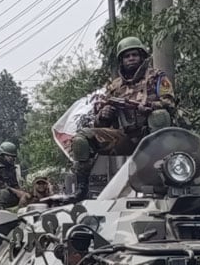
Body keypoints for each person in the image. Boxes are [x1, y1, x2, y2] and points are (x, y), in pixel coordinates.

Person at [68, 36, 178, 199]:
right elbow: (100, 120)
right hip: (125, 137)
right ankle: (82, 188)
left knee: (159, 116)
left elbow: (170, 103)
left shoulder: (156, 77)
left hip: (152, 137)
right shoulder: (115, 86)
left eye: (134, 54)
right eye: (127, 56)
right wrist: (104, 115)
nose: (131, 59)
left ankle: (166, 180)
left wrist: (149, 107)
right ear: (122, 61)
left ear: (142, 56)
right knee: (81, 139)